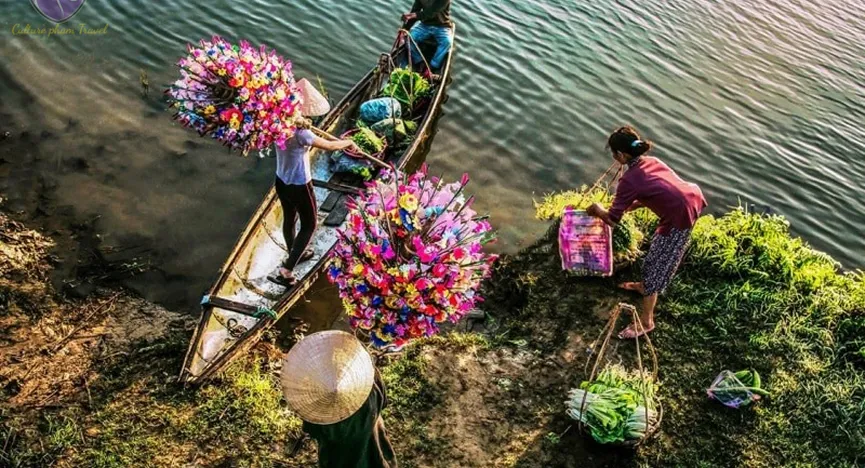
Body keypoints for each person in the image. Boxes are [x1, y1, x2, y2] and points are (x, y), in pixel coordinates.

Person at [587, 126, 707, 339]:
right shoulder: (653, 162)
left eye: (614, 154)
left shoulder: (628, 180)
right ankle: (644, 287)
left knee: (655, 265)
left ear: (621, 155)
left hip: (679, 216)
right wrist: (633, 204)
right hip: (691, 197)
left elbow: (612, 220)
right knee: (658, 255)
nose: (614, 157)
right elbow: (659, 189)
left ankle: (646, 321)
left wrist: (597, 210)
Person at [281, 331, 398, 468]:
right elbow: (383, 401)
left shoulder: (324, 420)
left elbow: (312, 430)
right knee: (377, 454)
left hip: (342, 459)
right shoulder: (371, 383)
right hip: (373, 431)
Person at [267, 119, 355, 288]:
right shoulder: (302, 134)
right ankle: (286, 271)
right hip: (300, 185)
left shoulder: (276, 126)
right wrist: (349, 142)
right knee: (309, 225)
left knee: (289, 218)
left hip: (281, 181)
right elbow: (330, 146)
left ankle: (294, 253)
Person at [401, 0, 453, 81]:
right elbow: (415, 11)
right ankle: (420, 61)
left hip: (442, 26)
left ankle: (432, 67)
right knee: (408, 38)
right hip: (425, 25)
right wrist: (405, 29)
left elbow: (431, 12)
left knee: (447, 42)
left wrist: (413, 15)